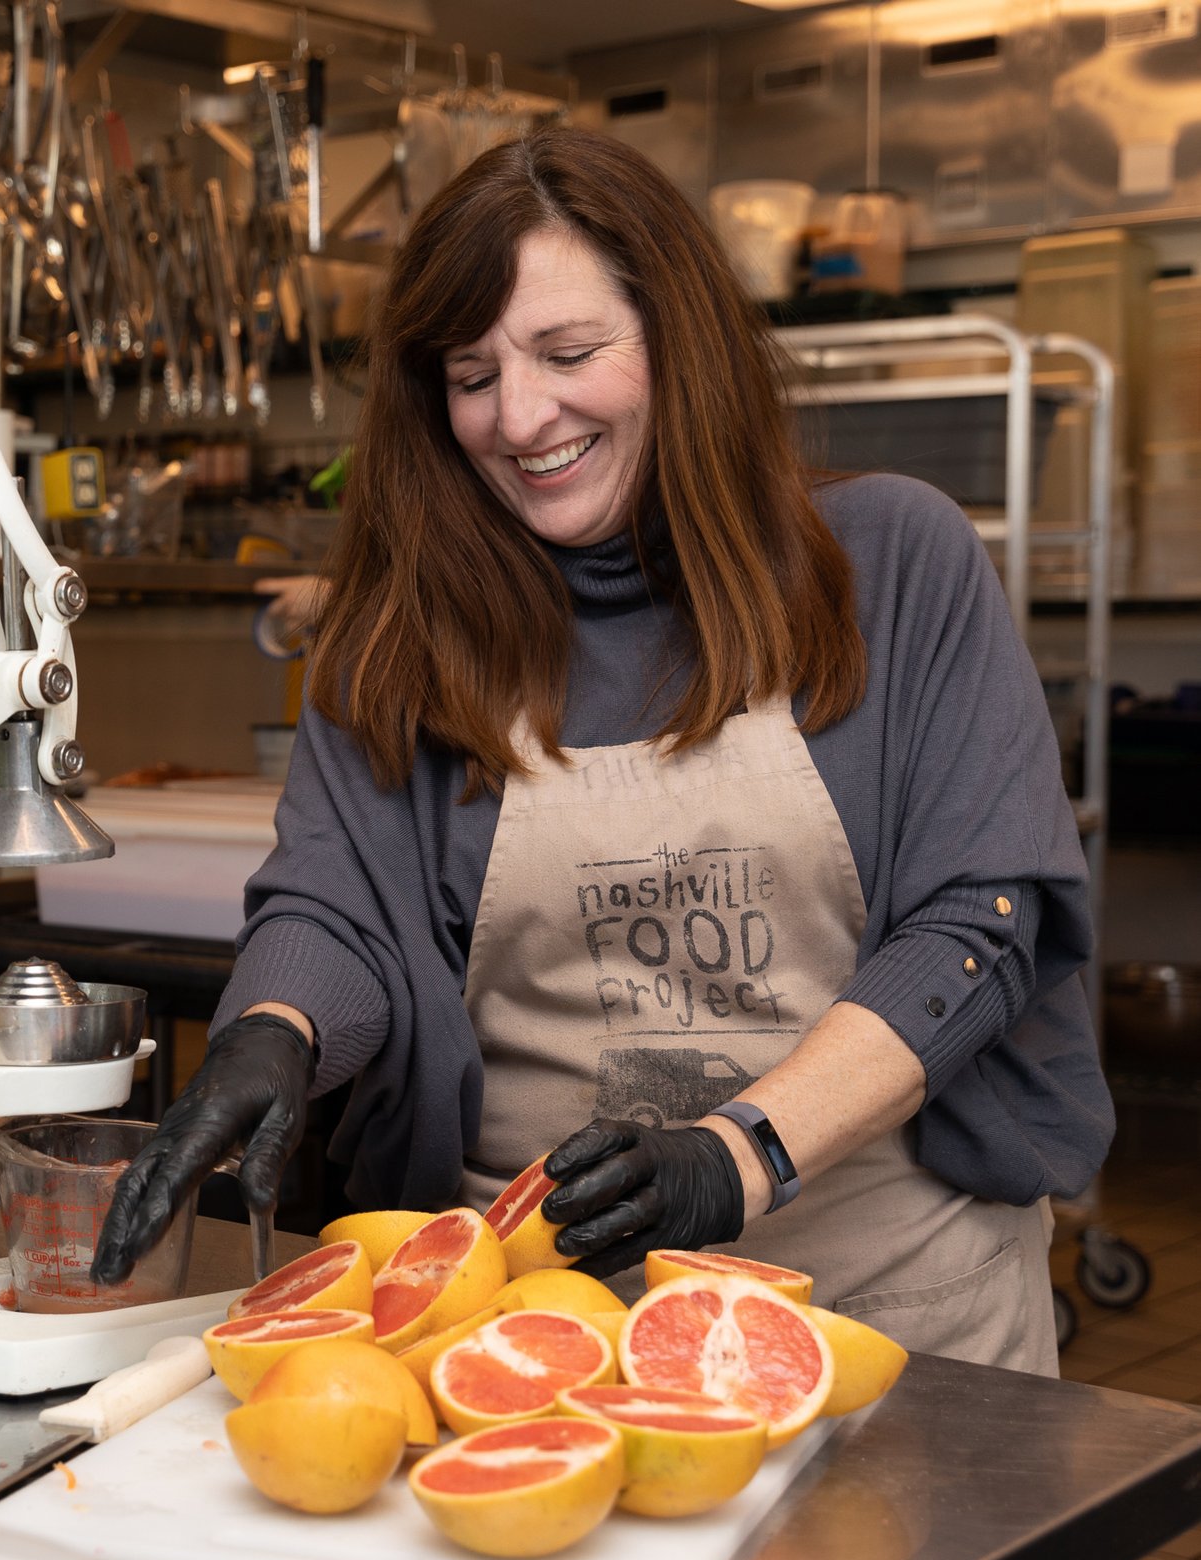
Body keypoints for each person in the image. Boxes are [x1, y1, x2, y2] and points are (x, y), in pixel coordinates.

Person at [93, 128, 1111, 1377]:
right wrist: (273, 1030)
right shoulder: (397, 636)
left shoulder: (894, 566)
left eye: (568, 354)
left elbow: (980, 917)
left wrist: (743, 1152)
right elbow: (338, 907)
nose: (520, 418)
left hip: (889, 1317)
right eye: (471, 375)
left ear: (679, 343)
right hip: (528, 1338)